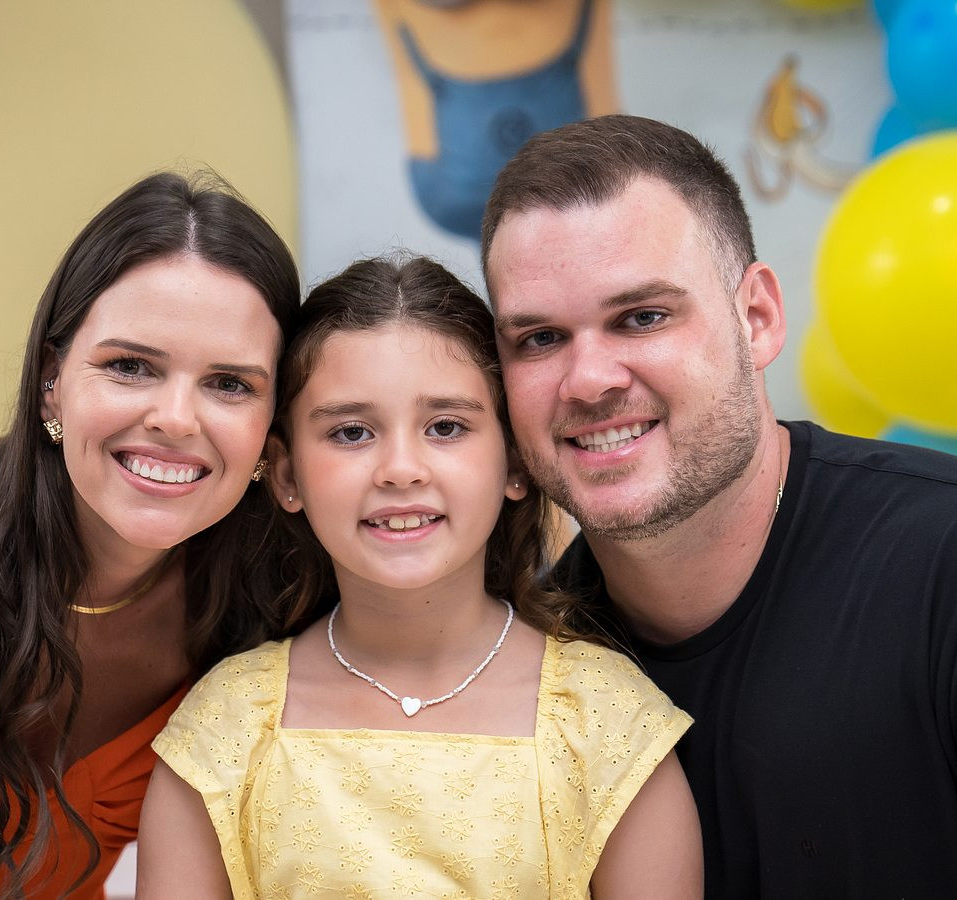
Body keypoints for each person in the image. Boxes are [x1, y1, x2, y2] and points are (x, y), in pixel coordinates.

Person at [479, 113, 957, 897]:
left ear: (756, 318)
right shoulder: (523, 669)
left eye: (643, 318)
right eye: (539, 339)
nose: (589, 380)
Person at [135, 256, 702, 898]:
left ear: (515, 461)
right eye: (352, 432)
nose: (401, 469)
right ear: (287, 476)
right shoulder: (225, 729)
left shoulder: (610, 725)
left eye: (446, 427)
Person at [0, 171, 300, 899]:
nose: (175, 419)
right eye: (130, 367)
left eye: (230, 383)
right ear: (52, 380)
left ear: (272, 423)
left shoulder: (264, 587)